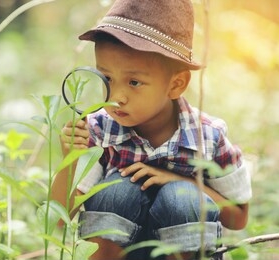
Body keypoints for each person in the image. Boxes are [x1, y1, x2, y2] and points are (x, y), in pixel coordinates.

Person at [51, 0, 252, 259]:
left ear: (176, 84)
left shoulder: (208, 138)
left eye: (134, 82)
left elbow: (238, 218)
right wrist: (69, 159)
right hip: (118, 249)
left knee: (183, 198)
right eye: (107, 78)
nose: (117, 96)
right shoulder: (99, 131)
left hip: (182, 247)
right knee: (116, 191)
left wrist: (184, 181)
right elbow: (58, 219)